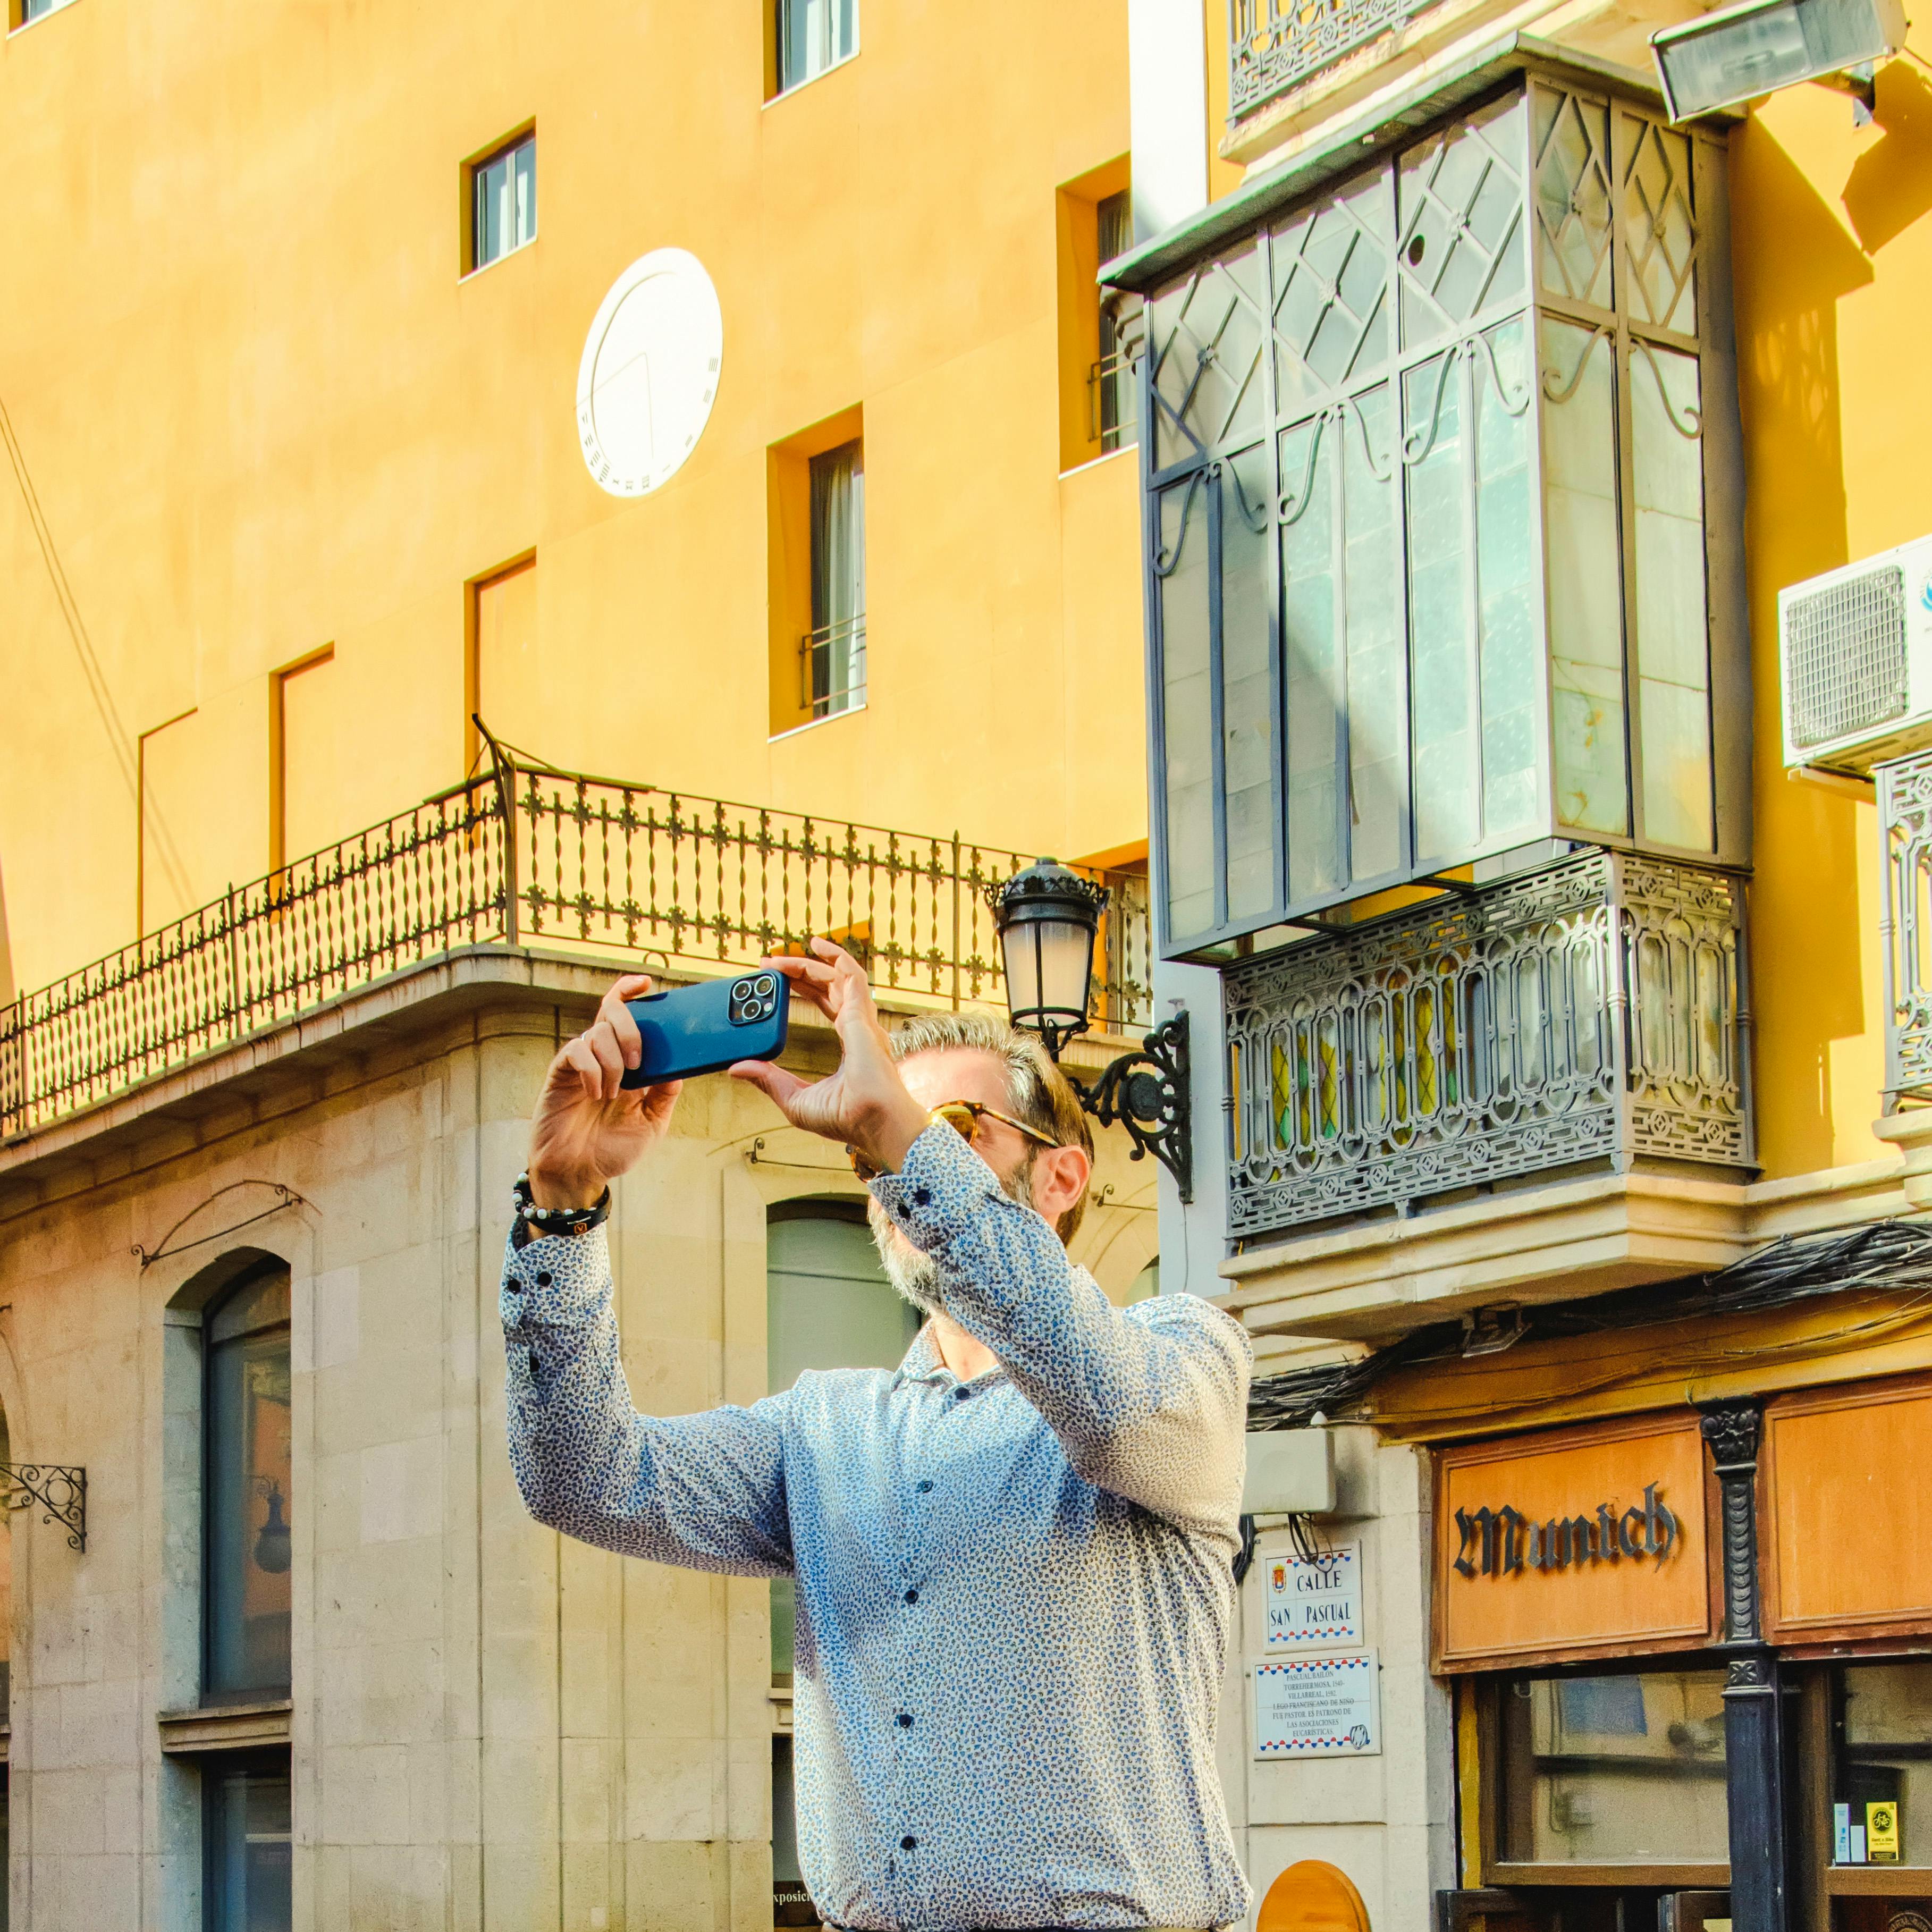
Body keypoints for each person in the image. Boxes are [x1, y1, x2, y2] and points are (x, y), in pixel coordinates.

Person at [501, 939, 1253, 1932]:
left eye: (946, 1131)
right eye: (874, 1155)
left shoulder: (1181, 1354)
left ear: (1064, 1176)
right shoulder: (825, 1429)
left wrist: (899, 1135)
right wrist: (564, 1210)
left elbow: (1098, 1394)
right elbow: (585, 1480)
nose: (896, 1176)